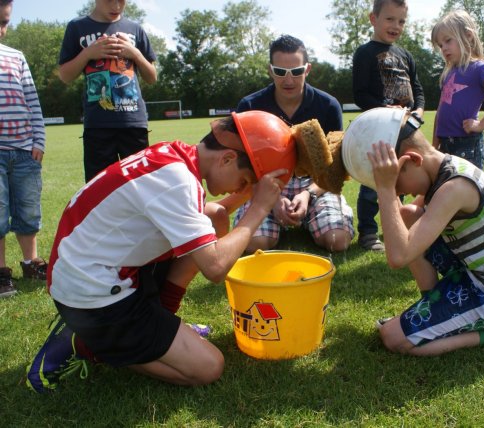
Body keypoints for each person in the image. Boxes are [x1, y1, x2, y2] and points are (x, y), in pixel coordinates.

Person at [25, 111, 296, 393]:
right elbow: (215, 267)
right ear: (227, 158)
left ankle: (155, 324)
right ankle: (87, 343)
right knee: (208, 366)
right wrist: (259, 208)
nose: (242, 189)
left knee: (212, 221)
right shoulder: (178, 182)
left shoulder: (173, 159)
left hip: (88, 273)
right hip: (92, 297)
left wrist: (250, 194)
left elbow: (215, 213)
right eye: (245, 181)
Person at [341, 107, 484, 356]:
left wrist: (386, 190)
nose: (400, 192)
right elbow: (405, 221)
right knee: (408, 215)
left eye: (397, 182)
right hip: (479, 273)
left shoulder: (455, 187)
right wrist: (389, 186)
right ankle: (433, 305)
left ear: (413, 160)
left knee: (393, 338)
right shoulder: (444, 168)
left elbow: (398, 256)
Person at [233, 34, 354, 253]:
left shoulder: (328, 105)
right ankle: (287, 223)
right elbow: (243, 165)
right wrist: (272, 199)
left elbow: (335, 168)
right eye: (280, 72)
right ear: (270, 70)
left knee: (338, 240)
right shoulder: (250, 106)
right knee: (254, 244)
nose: (288, 80)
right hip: (266, 184)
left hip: (315, 184)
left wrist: (308, 194)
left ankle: (311, 219)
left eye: (296, 71)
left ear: (307, 69)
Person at [352, 0, 425, 251]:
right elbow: (360, 94)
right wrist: (385, 110)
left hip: (406, 131)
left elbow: (418, 89)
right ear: (373, 19)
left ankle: (396, 226)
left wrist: (418, 110)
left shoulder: (406, 55)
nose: (396, 26)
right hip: (379, 132)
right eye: (390, 19)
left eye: (401, 21)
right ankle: (368, 232)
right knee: (374, 183)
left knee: (402, 180)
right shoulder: (364, 53)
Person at [58, 0, 157, 182]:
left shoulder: (135, 29)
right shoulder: (77, 27)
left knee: (141, 186)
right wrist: (88, 53)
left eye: (121, 0)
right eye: (109, 0)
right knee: (100, 189)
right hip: (98, 126)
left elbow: (152, 77)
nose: (116, 6)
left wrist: (134, 53)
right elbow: (65, 76)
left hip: (133, 124)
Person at [0, 0, 48, 299]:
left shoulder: (16, 57)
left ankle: (31, 263)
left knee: (29, 210)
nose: (1, 29)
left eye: (4, 22)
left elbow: (32, 102)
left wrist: (38, 141)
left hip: (24, 151)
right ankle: (1, 271)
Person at [430, 10, 484, 170]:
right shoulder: (448, 73)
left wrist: (480, 125)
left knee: (467, 185)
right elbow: (440, 111)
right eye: (440, 45)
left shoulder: (480, 68)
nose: (444, 48)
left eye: (448, 41)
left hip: (467, 145)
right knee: (444, 184)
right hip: (445, 144)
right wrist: (435, 144)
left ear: (468, 36)